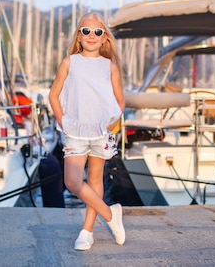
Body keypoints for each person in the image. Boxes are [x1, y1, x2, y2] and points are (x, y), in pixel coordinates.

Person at [49, 13, 126, 251]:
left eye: (97, 32)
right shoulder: (69, 62)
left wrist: (111, 123)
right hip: (75, 129)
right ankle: (110, 214)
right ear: (79, 36)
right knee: (72, 181)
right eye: (86, 31)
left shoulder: (109, 66)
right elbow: (53, 94)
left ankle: (87, 231)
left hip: (101, 130)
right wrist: (63, 121)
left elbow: (120, 100)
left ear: (104, 39)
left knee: (94, 180)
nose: (91, 36)